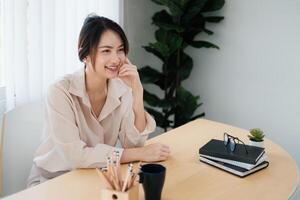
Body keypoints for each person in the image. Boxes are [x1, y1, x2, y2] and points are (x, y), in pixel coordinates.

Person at [27, 14, 170, 187]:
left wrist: (137, 93)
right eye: (106, 51)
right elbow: (76, 156)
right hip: (52, 181)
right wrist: (141, 153)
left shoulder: (122, 87)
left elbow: (134, 144)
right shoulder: (59, 91)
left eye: (120, 49)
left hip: (94, 175)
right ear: (85, 54)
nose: (116, 59)